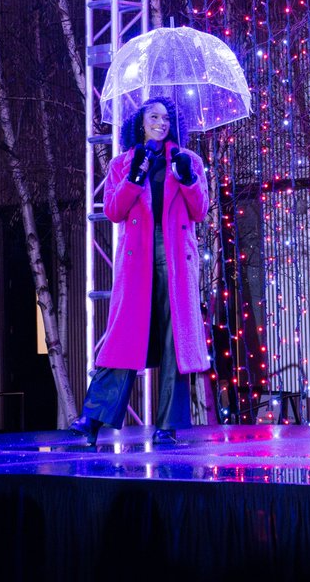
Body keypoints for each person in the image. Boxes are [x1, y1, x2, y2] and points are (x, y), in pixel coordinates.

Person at [69, 97, 210, 445]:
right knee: (123, 338)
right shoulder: (123, 163)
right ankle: (93, 418)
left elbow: (200, 211)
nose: (160, 123)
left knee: (173, 341)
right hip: (138, 261)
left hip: (177, 260)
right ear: (141, 123)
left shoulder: (189, 160)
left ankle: (167, 425)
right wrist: (135, 176)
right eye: (153, 117)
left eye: (165, 118)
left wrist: (188, 179)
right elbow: (114, 211)